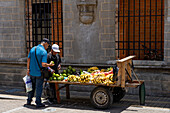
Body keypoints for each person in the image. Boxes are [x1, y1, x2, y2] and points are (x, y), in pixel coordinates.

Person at [26, 38, 54, 108]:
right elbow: (43, 64)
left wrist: (28, 69)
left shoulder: (33, 49)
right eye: (48, 46)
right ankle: (38, 102)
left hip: (32, 72)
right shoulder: (43, 52)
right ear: (45, 43)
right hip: (39, 73)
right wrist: (49, 65)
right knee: (39, 88)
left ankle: (29, 101)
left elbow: (28, 60)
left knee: (31, 87)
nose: (47, 47)